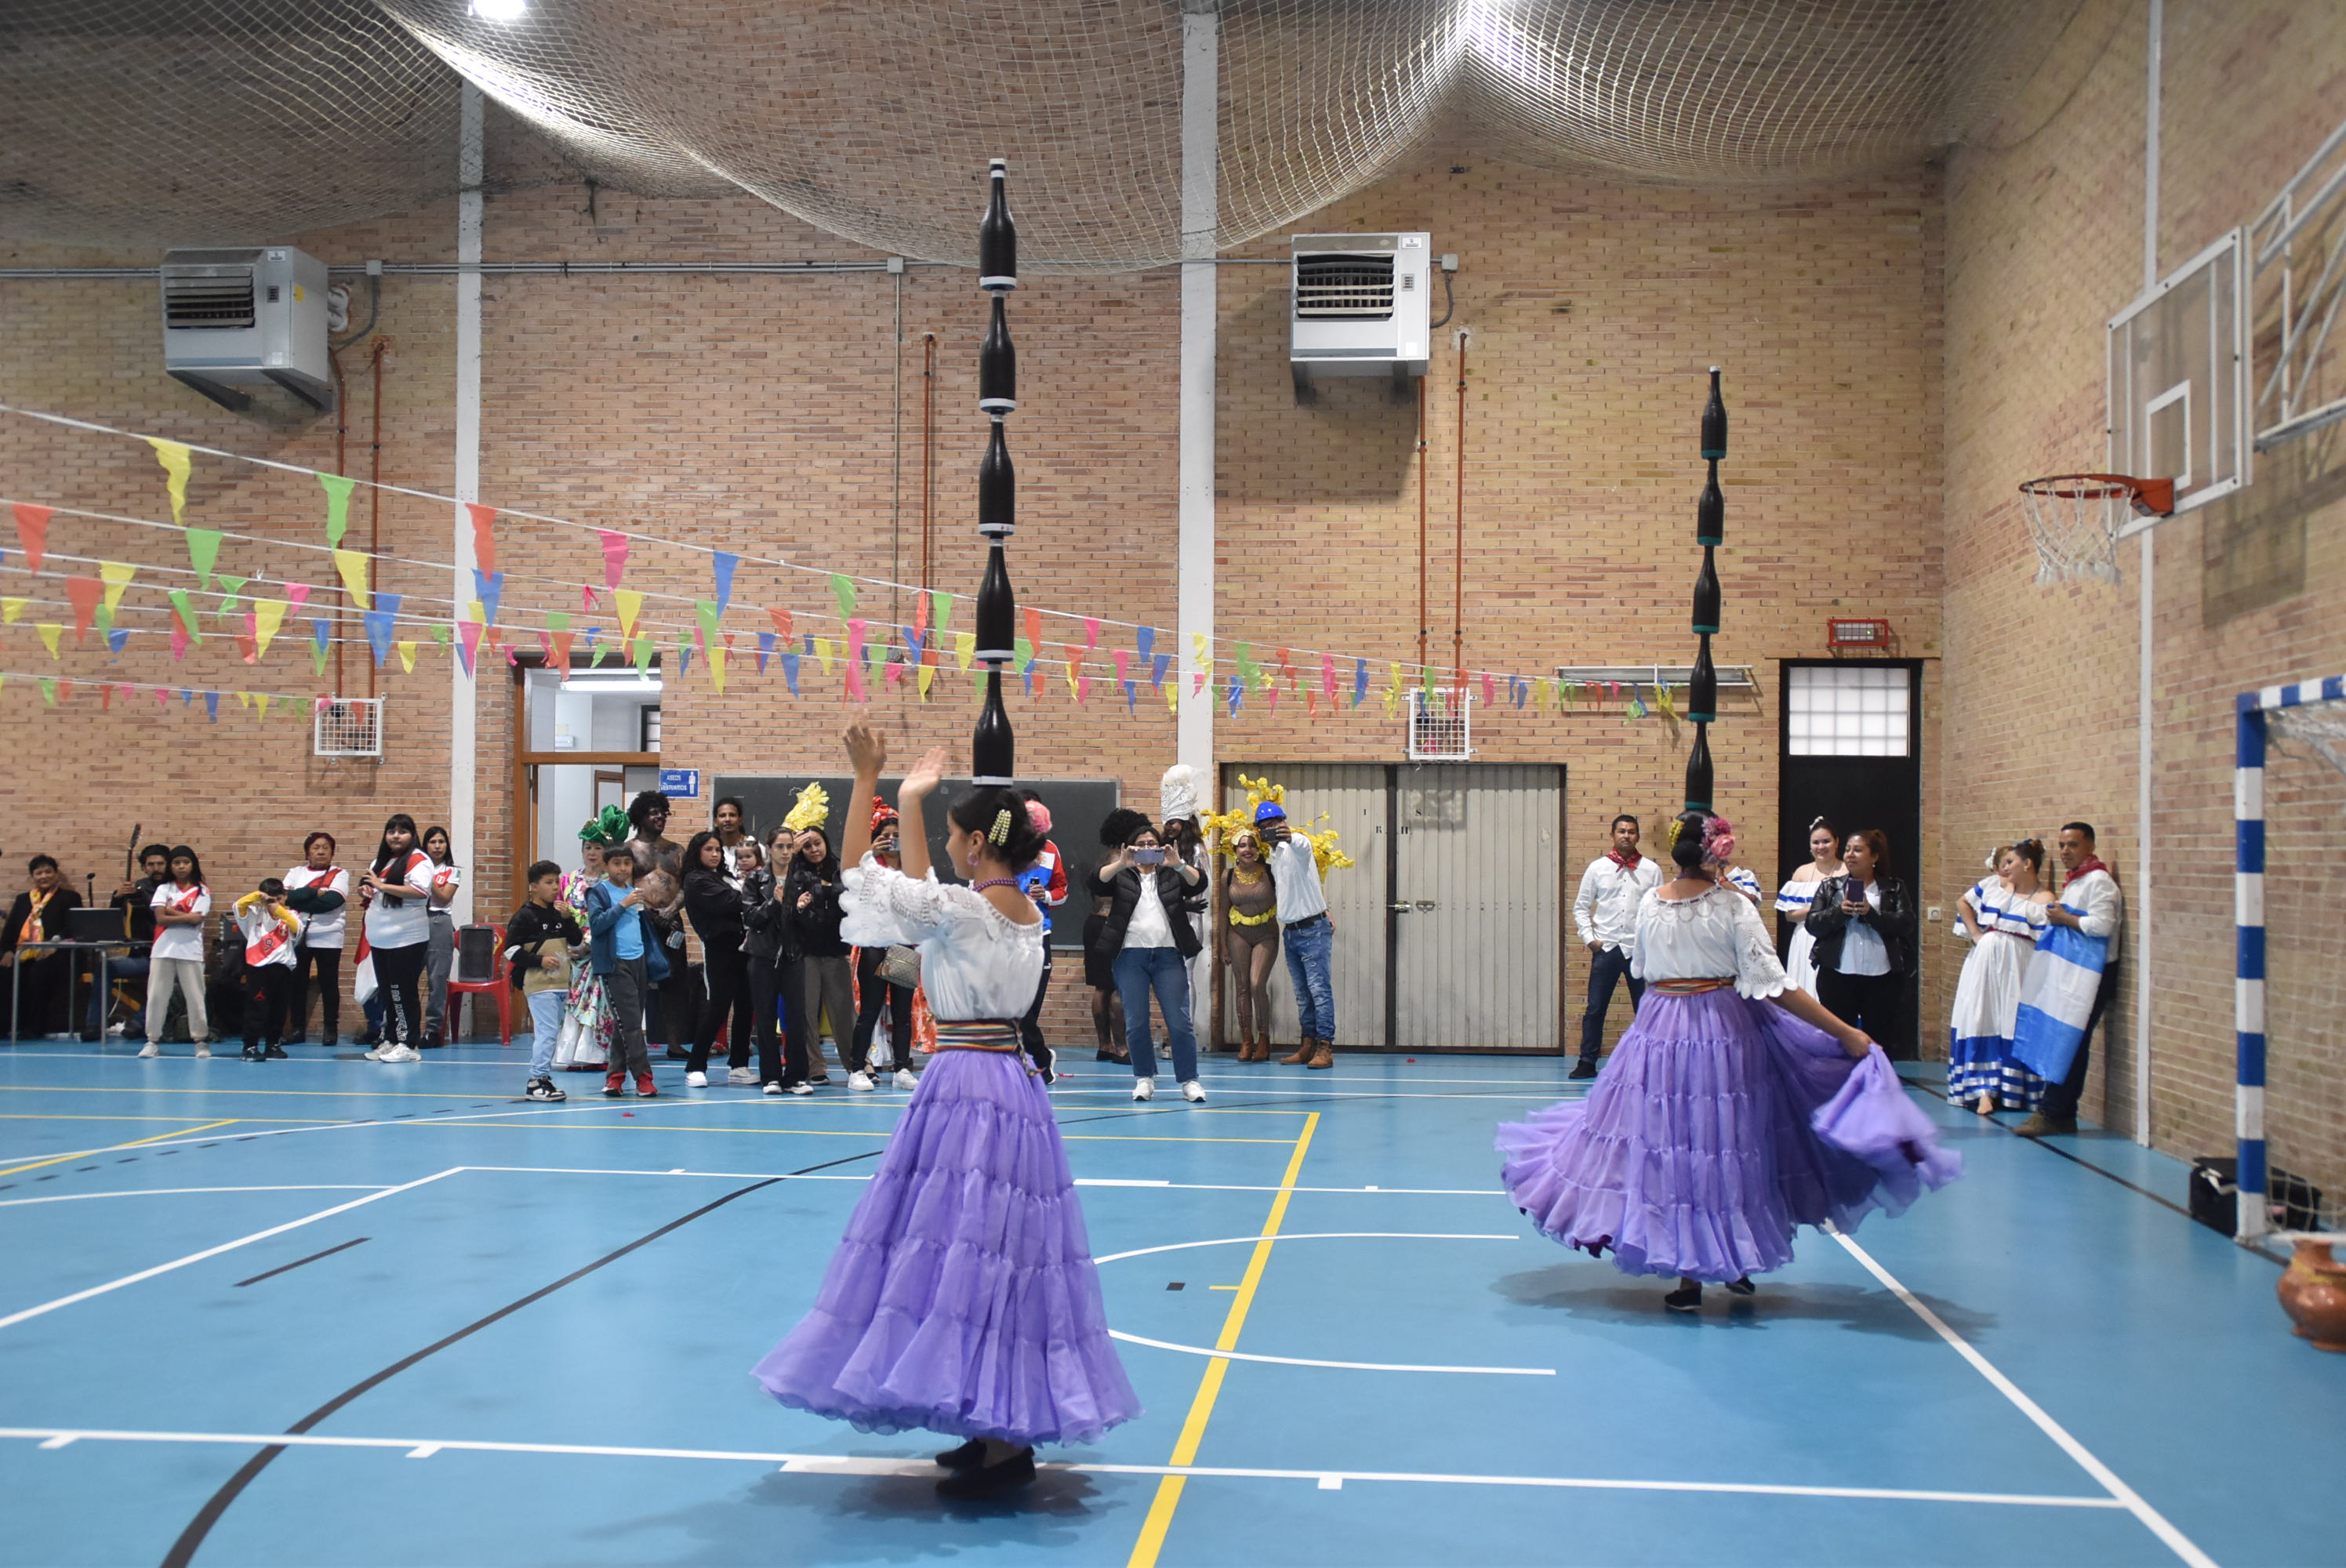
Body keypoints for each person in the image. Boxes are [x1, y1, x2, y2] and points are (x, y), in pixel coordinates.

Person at [753, 721, 1141, 1498]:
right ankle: (993, 1426)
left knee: (965, 1247)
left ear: (972, 846)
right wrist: (916, 800)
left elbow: (869, 874)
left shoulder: (965, 914)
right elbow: (925, 892)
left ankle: (999, 1438)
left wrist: (870, 781)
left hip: (966, 1085)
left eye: (956, 837)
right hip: (1008, 1085)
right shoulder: (1018, 911)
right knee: (994, 1252)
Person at [1498, 811, 1959, 1312]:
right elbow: (1777, 986)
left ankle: (1690, 1277)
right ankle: (1734, 1262)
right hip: (1720, 1029)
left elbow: (1645, 968)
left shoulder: (1652, 902)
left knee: (1669, 1148)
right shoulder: (1733, 906)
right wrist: (1846, 1033)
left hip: (1658, 1031)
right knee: (1727, 1143)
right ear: (1718, 853)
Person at [2013, 823, 2125, 1138]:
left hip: (2093, 978)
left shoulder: (2100, 883)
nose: (2065, 852)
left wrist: (2066, 919)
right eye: (2061, 845)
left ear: (2090, 845)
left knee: (2071, 1045)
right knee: (2062, 1040)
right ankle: (2055, 1109)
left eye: (2072, 845)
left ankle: (2056, 1112)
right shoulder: (2078, 880)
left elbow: (2102, 926)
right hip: (2073, 974)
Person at [1090, 818, 1208, 1103]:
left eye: (1152, 844)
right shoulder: (1122, 874)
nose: (1146, 848)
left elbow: (1198, 883)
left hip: (1168, 955)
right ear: (1131, 847)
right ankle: (1144, 1078)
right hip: (1130, 955)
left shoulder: (1171, 873)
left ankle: (1190, 1081)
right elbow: (1095, 881)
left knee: (1179, 1022)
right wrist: (1121, 862)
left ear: (1161, 847)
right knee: (1136, 1021)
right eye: (1141, 844)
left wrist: (1177, 863)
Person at [1948, 840, 2051, 1115]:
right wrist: (1976, 934)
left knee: (2011, 1018)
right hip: (1984, 963)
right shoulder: (1994, 886)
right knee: (1981, 1015)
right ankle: (1983, 1089)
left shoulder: (2046, 900)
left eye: (2009, 863)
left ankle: (2011, 1087)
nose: (2003, 868)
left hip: (2019, 966)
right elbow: (1964, 902)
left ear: (2027, 864)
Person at [1804, 829, 1917, 1055]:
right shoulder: (1831, 887)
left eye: (1857, 850)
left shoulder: (1893, 888)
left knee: (1880, 1040)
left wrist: (1871, 914)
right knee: (1837, 1040)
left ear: (1874, 857)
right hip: (1838, 976)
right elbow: (1813, 924)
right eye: (1847, 850)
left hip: (1882, 978)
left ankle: (1877, 1084)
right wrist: (1840, 912)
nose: (1850, 855)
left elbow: (1906, 924)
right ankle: (1839, 1085)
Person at [1571, 814, 1664, 1079]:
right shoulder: (1597, 868)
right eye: (1621, 831)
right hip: (1607, 948)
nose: (1626, 835)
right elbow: (1580, 907)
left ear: (1638, 836)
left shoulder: (1651, 870)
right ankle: (1588, 1061)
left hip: (1639, 951)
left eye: (1632, 831)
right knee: (1595, 1008)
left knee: (1645, 1010)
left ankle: (1650, 1063)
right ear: (1612, 835)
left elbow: (1658, 910)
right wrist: (1591, 940)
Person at [846, 800, 918, 1091]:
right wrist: (869, 855)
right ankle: (856, 1069)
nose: (891, 840)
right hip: (875, 944)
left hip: (903, 946)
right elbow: (852, 887)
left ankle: (901, 1068)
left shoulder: (913, 867)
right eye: (885, 835)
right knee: (870, 1010)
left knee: (902, 1012)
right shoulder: (868, 867)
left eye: (896, 835)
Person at [1262, 799, 1338, 1069]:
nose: (1273, 829)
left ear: (1285, 822)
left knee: (1319, 991)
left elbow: (1302, 844)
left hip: (1312, 930)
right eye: (1266, 827)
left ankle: (1325, 1047)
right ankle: (1307, 1044)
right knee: (1303, 993)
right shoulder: (1274, 856)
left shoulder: (1297, 847)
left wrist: (1291, 836)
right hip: (1291, 932)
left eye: (1277, 824)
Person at [552, 808, 626, 1073]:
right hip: (573, 953)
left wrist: (591, 943)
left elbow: (612, 916)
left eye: (598, 847)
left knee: (600, 1002)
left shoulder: (612, 883)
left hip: (601, 949)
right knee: (574, 1003)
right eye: (588, 847)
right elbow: (556, 916)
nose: (592, 852)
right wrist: (569, 943)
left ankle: (596, 1054)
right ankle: (570, 1055)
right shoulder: (567, 881)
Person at [584, 844, 661, 1098]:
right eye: (617, 863)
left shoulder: (634, 893)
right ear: (607, 866)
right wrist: (623, 905)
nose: (623, 868)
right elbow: (597, 925)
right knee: (631, 1024)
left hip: (638, 961)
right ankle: (644, 1077)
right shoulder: (599, 893)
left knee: (626, 1023)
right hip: (615, 964)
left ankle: (615, 1077)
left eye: (627, 863)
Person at [358, 814, 435, 1063]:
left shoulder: (419, 859)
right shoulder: (380, 861)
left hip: (407, 939)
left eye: (402, 831)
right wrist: (369, 890)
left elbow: (419, 891)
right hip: (381, 940)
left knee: (403, 992)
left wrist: (380, 886)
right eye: (391, 831)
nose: (395, 836)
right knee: (388, 993)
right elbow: (378, 890)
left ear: (412, 835)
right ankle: (390, 1039)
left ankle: (408, 1043)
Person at [681, 829, 752, 1090]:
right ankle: (696, 1066)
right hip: (720, 947)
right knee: (719, 1006)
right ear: (697, 852)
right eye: (709, 849)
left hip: (745, 947)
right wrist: (754, 893)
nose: (714, 854)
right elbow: (730, 901)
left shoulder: (725, 875)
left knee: (747, 1005)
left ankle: (740, 1065)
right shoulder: (695, 879)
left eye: (718, 849)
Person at [505, 859, 581, 1102]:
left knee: (552, 1032)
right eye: (548, 882)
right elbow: (510, 951)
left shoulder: (560, 913)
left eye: (557, 881)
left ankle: (543, 1079)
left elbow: (577, 941)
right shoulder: (525, 916)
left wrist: (569, 919)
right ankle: (536, 1080)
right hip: (539, 985)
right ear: (533, 886)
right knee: (546, 1033)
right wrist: (539, 960)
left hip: (560, 983)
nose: (554, 887)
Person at [787, 822, 855, 1086]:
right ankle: (815, 1066)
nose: (814, 849)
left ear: (826, 842)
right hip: (806, 953)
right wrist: (792, 858)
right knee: (806, 1014)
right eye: (806, 846)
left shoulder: (842, 870)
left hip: (837, 951)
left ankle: (857, 1064)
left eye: (817, 843)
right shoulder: (795, 873)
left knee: (844, 1012)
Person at [626, 789, 692, 1061]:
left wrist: (671, 909)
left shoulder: (677, 850)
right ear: (640, 816)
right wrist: (646, 910)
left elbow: (688, 886)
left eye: (663, 813)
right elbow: (622, 885)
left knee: (675, 985)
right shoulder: (628, 850)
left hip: (672, 923)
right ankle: (631, 1043)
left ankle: (674, 1043)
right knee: (636, 984)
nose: (660, 817)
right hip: (639, 923)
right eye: (654, 813)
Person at [742, 830, 804, 1094]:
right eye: (780, 846)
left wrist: (799, 909)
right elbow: (751, 918)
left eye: (790, 846)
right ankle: (770, 1077)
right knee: (765, 1018)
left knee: (796, 1018)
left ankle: (796, 1077)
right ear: (769, 848)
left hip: (793, 956)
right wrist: (774, 903)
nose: (786, 852)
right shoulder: (755, 879)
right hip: (763, 956)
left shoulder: (802, 879)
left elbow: (811, 923)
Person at [1083, 809, 1147, 1064]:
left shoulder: (1103, 857)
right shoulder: (1125, 859)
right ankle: (1123, 1049)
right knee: (1121, 986)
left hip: (1094, 923)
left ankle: (1105, 1046)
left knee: (1102, 987)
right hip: (1115, 925)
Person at [86, 843, 168, 1040]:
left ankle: (138, 1022)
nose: (156, 868)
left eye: (160, 863)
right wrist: (118, 898)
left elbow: (158, 912)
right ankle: (94, 1024)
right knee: (105, 967)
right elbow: (114, 918)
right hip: (140, 955)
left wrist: (142, 895)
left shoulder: (174, 889)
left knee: (169, 976)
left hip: (165, 955)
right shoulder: (136, 888)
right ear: (143, 867)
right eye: (151, 864)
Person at [1014, 793, 1067, 1080]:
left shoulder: (1051, 850)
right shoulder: (1000, 848)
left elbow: (1062, 891)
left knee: (1030, 1008)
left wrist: (1044, 895)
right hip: (1006, 936)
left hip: (1039, 935)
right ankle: (1039, 1061)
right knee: (1014, 1007)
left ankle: (1038, 1058)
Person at [140, 846, 211, 1058]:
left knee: (196, 997)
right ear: (171, 866)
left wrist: (170, 912)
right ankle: (152, 1040)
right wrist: (185, 916)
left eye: (186, 862)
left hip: (190, 950)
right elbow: (161, 919)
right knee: (156, 996)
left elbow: (197, 919)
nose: (181, 867)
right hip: (163, 948)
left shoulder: (202, 891)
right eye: (177, 863)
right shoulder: (164, 889)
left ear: (193, 865)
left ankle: (200, 1041)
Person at [281, 833, 350, 1047]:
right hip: (298, 935)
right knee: (297, 984)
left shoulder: (340, 874)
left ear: (332, 852)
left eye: (326, 848)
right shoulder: (295, 872)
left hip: (329, 936)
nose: (321, 852)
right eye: (316, 848)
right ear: (307, 852)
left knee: (329, 983)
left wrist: (301, 898)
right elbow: (284, 897)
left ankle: (331, 1029)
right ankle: (298, 1029)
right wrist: (315, 892)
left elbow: (333, 901)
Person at [4, 855, 84, 1038]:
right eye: (38, 873)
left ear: (56, 874)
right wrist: (7, 951)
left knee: (39, 972)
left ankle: (34, 1027)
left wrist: (53, 947)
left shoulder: (70, 897)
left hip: (60, 954)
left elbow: (74, 928)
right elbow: (10, 931)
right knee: (5, 973)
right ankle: (6, 1026)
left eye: (48, 871)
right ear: (32, 877)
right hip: (23, 952)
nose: (43, 876)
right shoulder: (23, 900)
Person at [1221, 826, 1281, 1062]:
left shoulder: (1270, 871)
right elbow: (1223, 911)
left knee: (1257, 984)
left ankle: (1264, 1039)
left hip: (1266, 933)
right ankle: (1247, 1041)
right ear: (1235, 850)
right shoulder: (1227, 875)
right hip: (1237, 934)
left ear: (1259, 849)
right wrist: (1223, 947)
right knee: (1242, 987)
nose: (1248, 850)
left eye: (1252, 845)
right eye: (1243, 846)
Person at [231, 877, 303, 1062]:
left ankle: (273, 1044)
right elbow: (239, 905)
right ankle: (250, 1046)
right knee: (257, 1008)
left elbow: (297, 929)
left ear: (285, 897)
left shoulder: (292, 915)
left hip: (283, 968)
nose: (274, 903)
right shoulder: (254, 914)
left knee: (279, 1009)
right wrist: (258, 897)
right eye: (270, 900)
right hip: (259, 968)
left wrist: (277, 909)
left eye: (279, 898)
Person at [1773, 817, 1843, 995]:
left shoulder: (1848, 871)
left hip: (1839, 938)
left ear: (1837, 842)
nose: (1821, 847)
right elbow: (1790, 915)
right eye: (1816, 842)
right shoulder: (1801, 873)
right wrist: (1818, 910)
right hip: (1805, 939)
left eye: (1826, 841)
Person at [419, 825, 461, 1047]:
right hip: (415, 921)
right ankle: (400, 1028)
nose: (437, 846)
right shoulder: (413, 868)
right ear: (425, 845)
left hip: (439, 922)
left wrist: (428, 879)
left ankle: (433, 1031)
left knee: (436, 979)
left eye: (441, 842)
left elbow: (444, 898)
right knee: (406, 977)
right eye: (433, 842)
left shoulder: (453, 871)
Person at [712, 795, 755, 877]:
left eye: (732, 815)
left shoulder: (754, 846)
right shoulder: (710, 849)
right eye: (722, 816)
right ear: (715, 822)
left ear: (740, 820)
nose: (727, 819)